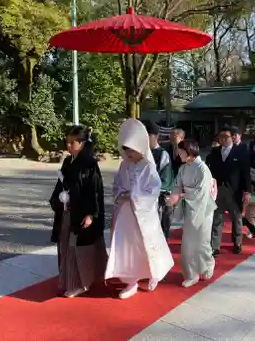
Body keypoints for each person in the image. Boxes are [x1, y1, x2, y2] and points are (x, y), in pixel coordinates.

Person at [105, 118, 174, 299]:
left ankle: (155, 273)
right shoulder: (124, 165)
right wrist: (122, 194)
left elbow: (154, 189)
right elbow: (117, 185)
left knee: (147, 245)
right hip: (126, 213)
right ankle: (131, 280)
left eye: (132, 151)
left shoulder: (148, 166)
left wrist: (133, 196)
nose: (128, 155)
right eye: (126, 151)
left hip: (143, 214)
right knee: (128, 247)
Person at [49, 126, 107, 298]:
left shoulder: (90, 164)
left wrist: (91, 214)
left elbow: (94, 191)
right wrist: (58, 198)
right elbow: (61, 183)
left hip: (82, 213)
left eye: (72, 142)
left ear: (81, 143)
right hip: (67, 210)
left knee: (79, 248)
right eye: (67, 142)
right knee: (65, 245)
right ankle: (69, 280)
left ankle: (82, 283)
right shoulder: (68, 162)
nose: (68, 146)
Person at [167, 139, 216, 288]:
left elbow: (201, 193)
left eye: (181, 151)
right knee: (188, 244)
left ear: (189, 152)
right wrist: (173, 197)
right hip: (190, 207)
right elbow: (177, 185)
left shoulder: (203, 169)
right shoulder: (183, 168)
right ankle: (191, 274)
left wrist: (182, 195)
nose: (178, 153)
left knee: (202, 243)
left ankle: (209, 263)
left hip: (204, 209)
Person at [208, 125, 251, 256]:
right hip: (218, 190)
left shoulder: (241, 152)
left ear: (232, 137)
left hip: (235, 191)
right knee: (217, 219)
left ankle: (237, 243)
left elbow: (246, 173)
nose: (223, 139)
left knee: (236, 219)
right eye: (220, 137)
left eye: (225, 137)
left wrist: (247, 191)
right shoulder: (214, 152)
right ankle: (215, 246)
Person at [145, 121, 174, 240]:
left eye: (148, 135)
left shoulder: (162, 154)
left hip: (158, 198)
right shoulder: (141, 154)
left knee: (160, 229)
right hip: (143, 199)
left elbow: (165, 179)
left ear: (156, 136)